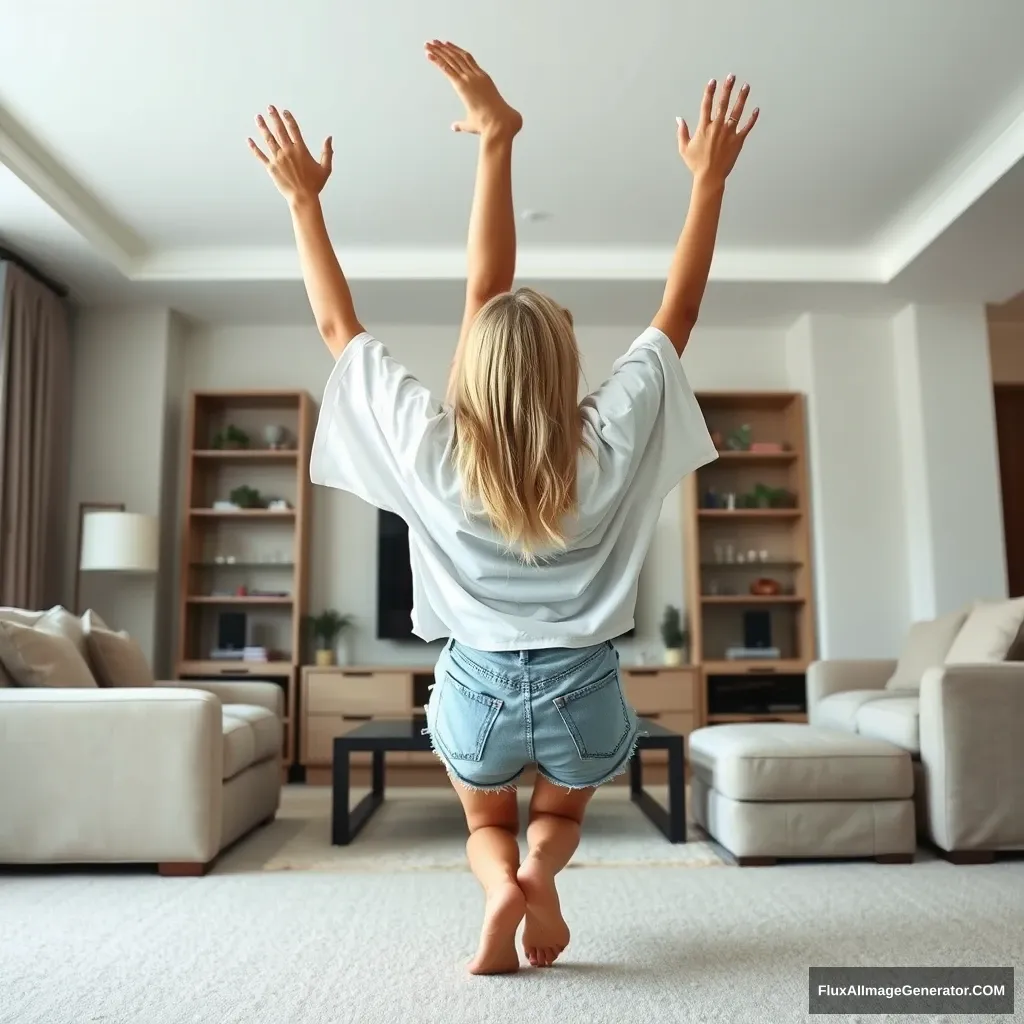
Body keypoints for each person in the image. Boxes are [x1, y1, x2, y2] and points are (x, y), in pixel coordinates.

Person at [248, 40, 757, 975]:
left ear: (471, 375)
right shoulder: (602, 449)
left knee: (477, 811)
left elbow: (341, 326)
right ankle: (541, 868)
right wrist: (707, 183)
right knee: (560, 806)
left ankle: (498, 887)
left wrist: (303, 201)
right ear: (570, 372)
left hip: (476, 688)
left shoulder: (438, 455)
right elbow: (676, 313)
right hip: (586, 689)